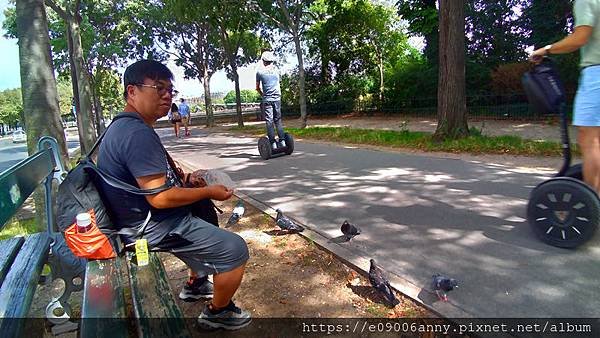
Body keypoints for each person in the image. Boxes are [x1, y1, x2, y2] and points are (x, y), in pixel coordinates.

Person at [97, 60, 251, 330]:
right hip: (149, 227)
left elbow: (153, 183)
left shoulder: (126, 126)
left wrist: (189, 181)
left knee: (200, 204)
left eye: (170, 89)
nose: (167, 95)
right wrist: (210, 190)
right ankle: (218, 312)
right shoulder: (136, 133)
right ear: (132, 92)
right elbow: (160, 198)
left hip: (138, 217)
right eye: (158, 88)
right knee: (235, 249)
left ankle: (196, 282)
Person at [530, 0, 599, 192]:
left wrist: (547, 49)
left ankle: (593, 207)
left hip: (597, 73)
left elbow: (580, 38)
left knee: (590, 138)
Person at [256, 51, 286, 150]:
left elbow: (257, 88)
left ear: (263, 61)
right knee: (278, 120)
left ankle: (272, 143)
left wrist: (263, 95)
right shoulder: (277, 71)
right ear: (271, 61)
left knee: (269, 121)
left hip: (267, 99)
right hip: (277, 98)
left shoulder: (259, 72)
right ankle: (282, 141)